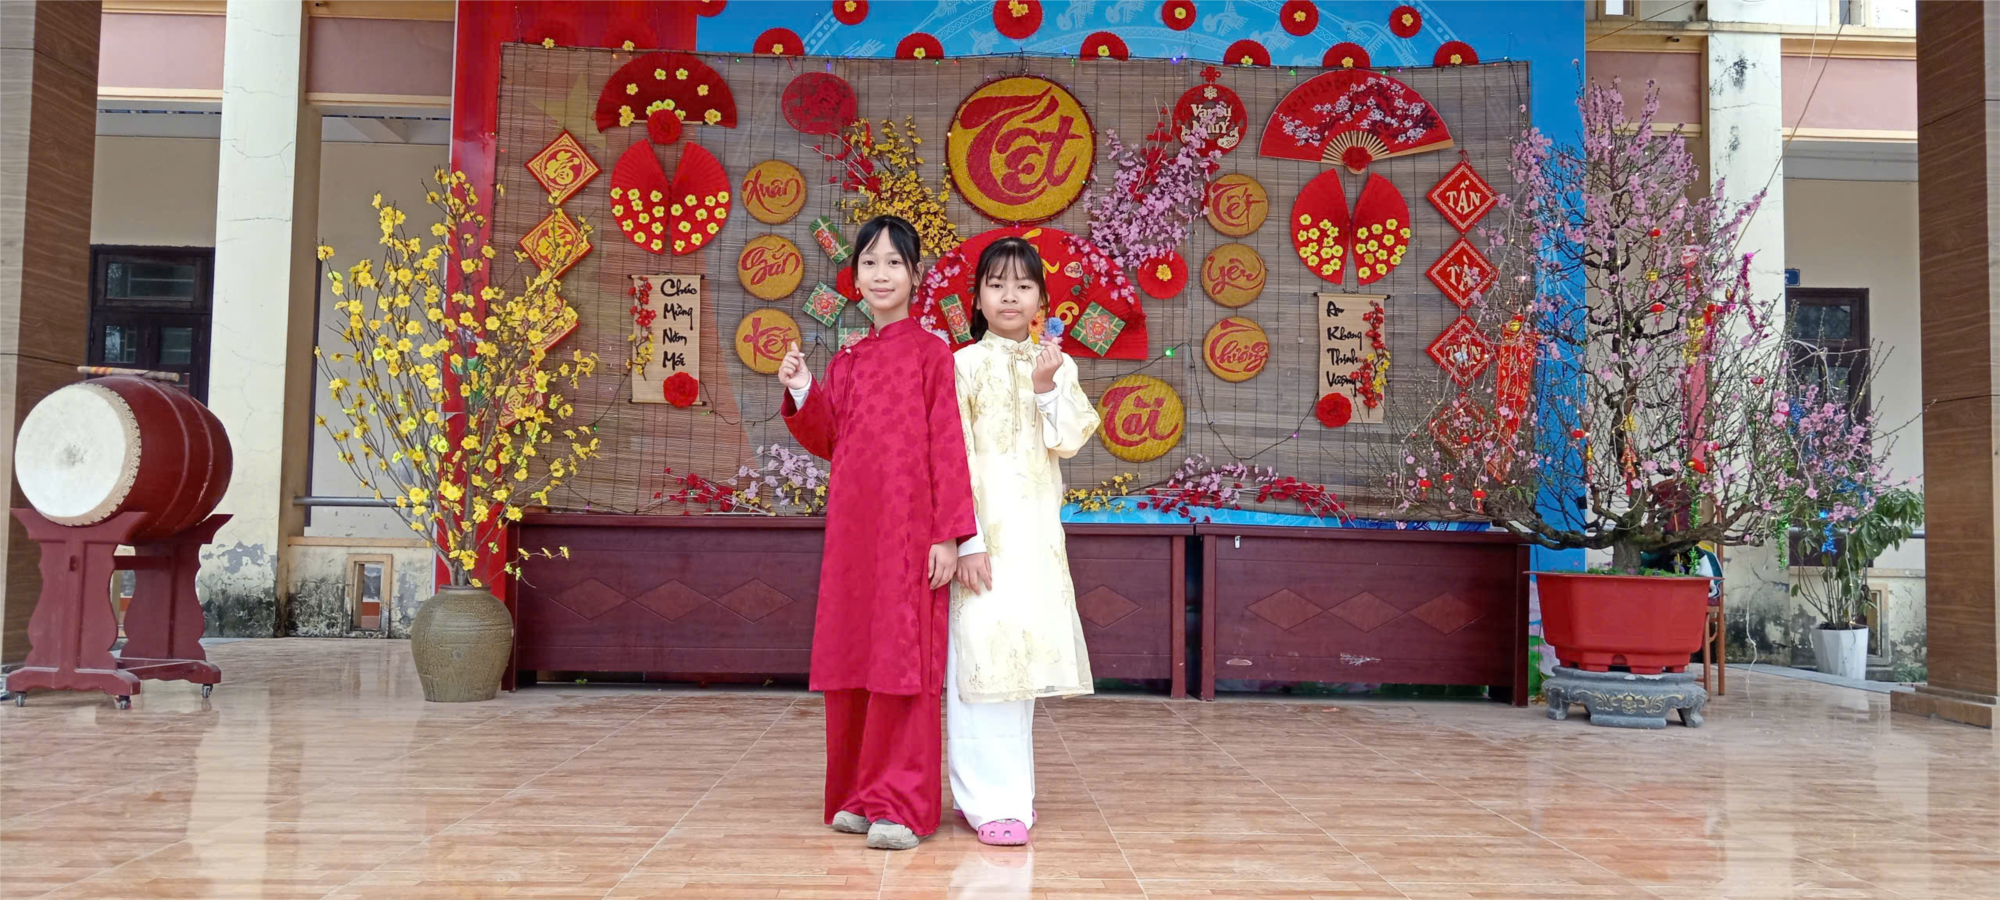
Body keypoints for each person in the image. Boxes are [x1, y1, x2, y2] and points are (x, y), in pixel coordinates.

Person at [777, 215, 977, 851]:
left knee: (902, 663)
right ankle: (859, 796)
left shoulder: (932, 355)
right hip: (853, 534)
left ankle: (901, 805)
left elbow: (949, 446)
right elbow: (829, 438)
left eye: (894, 263)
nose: (881, 274)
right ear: (855, 277)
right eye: (869, 263)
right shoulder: (848, 360)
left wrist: (948, 536)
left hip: (910, 534)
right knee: (854, 656)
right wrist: (802, 389)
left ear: (915, 276)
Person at [948, 237, 1098, 846]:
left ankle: (1011, 798)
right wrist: (966, 540)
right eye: (996, 284)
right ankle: (985, 802)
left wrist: (1045, 386)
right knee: (978, 662)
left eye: (1023, 285)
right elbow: (953, 457)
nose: (1009, 295)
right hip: (981, 537)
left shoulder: (1057, 364)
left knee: (1019, 669)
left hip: (1035, 539)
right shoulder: (960, 365)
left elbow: (1069, 440)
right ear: (978, 297)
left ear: (1041, 299)